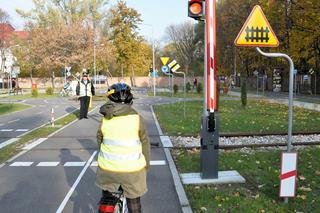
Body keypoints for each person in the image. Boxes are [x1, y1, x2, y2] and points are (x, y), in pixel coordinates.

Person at [96, 83, 150, 213]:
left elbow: (100, 142)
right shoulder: (137, 119)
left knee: (107, 198)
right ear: (131, 100)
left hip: (108, 171)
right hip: (132, 172)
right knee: (134, 203)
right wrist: (146, 166)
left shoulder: (105, 120)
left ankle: (107, 204)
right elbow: (145, 146)